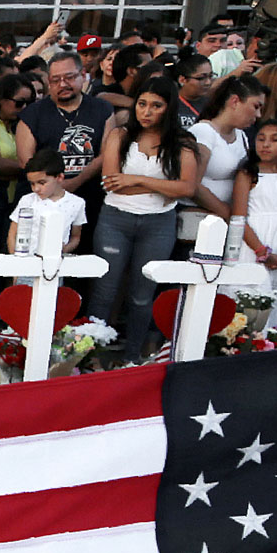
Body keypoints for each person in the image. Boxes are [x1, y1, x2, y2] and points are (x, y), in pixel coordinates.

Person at [91, 78, 199, 355]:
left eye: (156, 106)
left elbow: (187, 187)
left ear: (169, 108)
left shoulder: (183, 142)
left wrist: (135, 179)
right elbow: (111, 182)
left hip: (158, 223)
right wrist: (163, 186)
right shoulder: (119, 135)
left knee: (142, 295)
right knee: (105, 290)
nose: (146, 112)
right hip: (115, 218)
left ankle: (133, 356)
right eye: (141, 104)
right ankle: (91, 354)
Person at [15, 51, 115, 227]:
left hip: (89, 199)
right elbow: (26, 161)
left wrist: (74, 182)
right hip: (42, 201)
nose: (62, 84)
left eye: (69, 77)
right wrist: (56, 187)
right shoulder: (32, 114)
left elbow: (106, 154)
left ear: (83, 75)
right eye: (55, 80)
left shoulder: (102, 109)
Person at [182, 74, 264, 254]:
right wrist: (230, 215)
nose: (258, 115)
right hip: (200, 222)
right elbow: (193, 184)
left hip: (225, 225)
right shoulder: (203, 132)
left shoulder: (242, 136)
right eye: (255, 106)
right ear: (235, 101)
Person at [234, 119, 277, 334]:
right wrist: (262, 252)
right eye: (261, 139)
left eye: (274, 140)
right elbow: (239, 218)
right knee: (252, 299)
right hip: (253, 247)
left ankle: (270, 342)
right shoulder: (249, 174)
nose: (265, 145)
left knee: (275, 299)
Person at [7, 149, 86, 259]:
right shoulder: (27, 200)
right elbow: (13, 233)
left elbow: (76, 236)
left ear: (59, 177)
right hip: (25, 262)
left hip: (55, 266)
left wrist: (65, 249)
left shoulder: (77, 203)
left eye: (42, 183)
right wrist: (15, 263)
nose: (36, 189)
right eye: (32, 184)